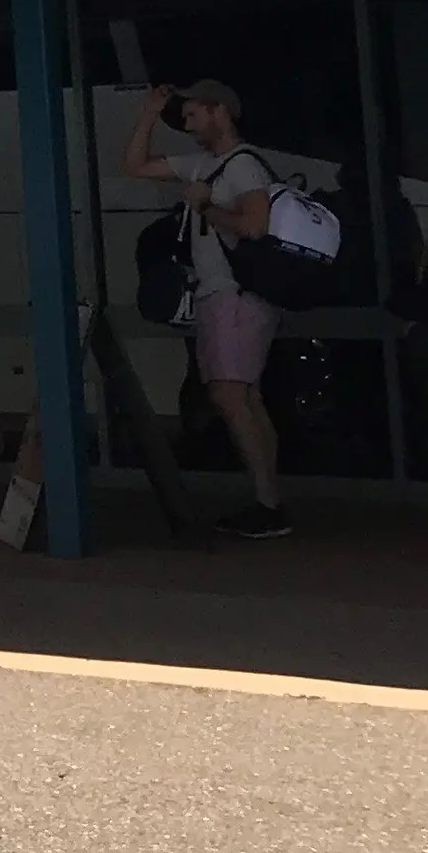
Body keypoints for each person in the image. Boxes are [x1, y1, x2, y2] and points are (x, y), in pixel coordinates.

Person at [120, 78, 290, 540]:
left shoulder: (241, 168)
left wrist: (206, 206)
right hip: (225, 294)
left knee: (230, 396)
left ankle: (267, 503)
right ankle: (267, 497)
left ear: (221, 112)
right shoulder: (204, 164)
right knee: (244, 396)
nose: (189, 123)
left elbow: (254, 226)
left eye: (194, 114)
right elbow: (135, 166)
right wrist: (149, 113)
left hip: (235, 294)